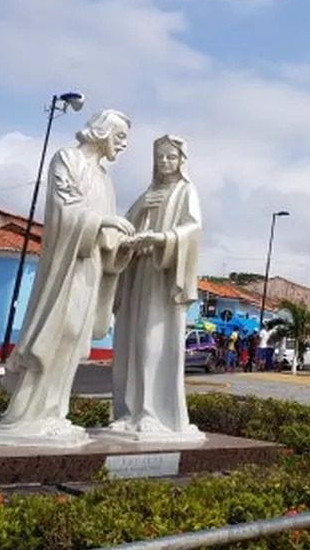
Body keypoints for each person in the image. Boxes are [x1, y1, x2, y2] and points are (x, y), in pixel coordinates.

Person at [0, 110, 135, 445]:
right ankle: (24, 415)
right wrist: (104, 222)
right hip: (67, 265)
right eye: (120, 137)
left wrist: (122, 245)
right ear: (103, 132)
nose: (123, 146)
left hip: (90, 266)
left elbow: (106, 238)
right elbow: (64, 211)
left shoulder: (105, 178)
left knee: (73, 337)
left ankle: (53, 413)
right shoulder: (67, 159)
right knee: (56, 332)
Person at [108, 135, 204, 441]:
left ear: (181, 161)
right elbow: (124, 227)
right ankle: (128, 412)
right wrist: (137, 210)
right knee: (130, 340)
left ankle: (151, 412)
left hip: (162, 275)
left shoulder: (185, 191)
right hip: (137, 271)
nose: (165, 163)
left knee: (152, 341)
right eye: (160, 157)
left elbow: (193, 228)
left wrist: (162, 239)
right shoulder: (149, 192)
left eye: (171, 158)